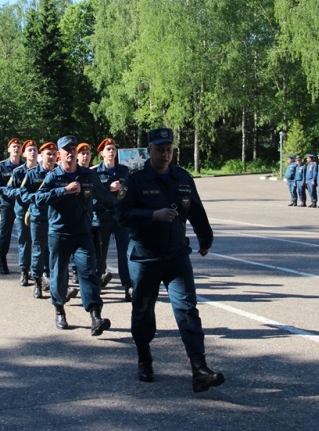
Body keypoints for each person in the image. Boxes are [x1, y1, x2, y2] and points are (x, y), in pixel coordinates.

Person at [116, 127, 224, 393]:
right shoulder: (135, 180)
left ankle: (199, 369)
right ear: (149, 151)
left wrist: (205, 238)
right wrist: (152, 215)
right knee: (143, 312)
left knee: (187, 309)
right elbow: (122, 215)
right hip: (144, 258)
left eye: (169, 150)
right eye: (159, 150)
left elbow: (196, 210)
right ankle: (144, 357)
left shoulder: (183, 178)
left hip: (176, 256)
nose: (165, 154)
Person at [34, 135, 116, 335]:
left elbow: (106, 198)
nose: (70, 153)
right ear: (59, 154)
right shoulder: (53, 177)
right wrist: (64, 191)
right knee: (59, 274)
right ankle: (59, 309)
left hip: (83, 233)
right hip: (59, 234)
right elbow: (38, 199)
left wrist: (130, 213)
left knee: (88, 272)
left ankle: (95, 316)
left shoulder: (88, 176)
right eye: (66, 150)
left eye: (73, 149)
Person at [92, 137, 132, 300]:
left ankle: (128, 285)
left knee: (125, 252)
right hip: (102, 216)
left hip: (120, 217)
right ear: (102, 153)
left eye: (113, 148)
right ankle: (97, 281)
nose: (111, 151)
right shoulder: (95, 172)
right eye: (108, 149)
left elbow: (127, 191)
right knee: (100, 253)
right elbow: (93, 195)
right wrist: (109, 189)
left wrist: (121, 194)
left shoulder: (124, 170)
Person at [19, 142, 58, 299]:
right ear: (42, 155)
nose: (51, 156)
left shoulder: (59, 173)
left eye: (54, 153)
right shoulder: (32, 174)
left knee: (55, 252)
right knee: (38, 252)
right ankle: (37, 282)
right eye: (48, 153)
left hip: (56, 218)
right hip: (39, 218)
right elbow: (24, 195)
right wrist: (39, 198)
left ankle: (51, 281)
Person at [8, 140, 39, 286]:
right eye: (30, 150)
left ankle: (37, 271)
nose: (32, 152)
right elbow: (8, 190)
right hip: (22, 210)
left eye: (34, 150)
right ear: (24, 153)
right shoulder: (18, 172)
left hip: (39, 211)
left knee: (38, 242)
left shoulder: (43, 171)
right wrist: (21, 192)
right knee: (24, 241)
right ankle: (24, 270)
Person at [0, 138, 23, 274]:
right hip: (7, 203)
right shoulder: (1, 166)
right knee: (6, 233)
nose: (16, 148)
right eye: (14, 146)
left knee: (25, 234)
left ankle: (25, 266)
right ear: (9, 149)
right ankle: (2, 260)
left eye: (18, 146)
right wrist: (9, 191)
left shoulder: (25, 166)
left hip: (22, 203)